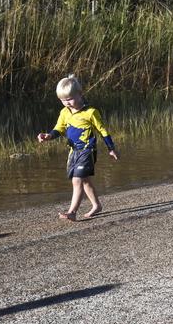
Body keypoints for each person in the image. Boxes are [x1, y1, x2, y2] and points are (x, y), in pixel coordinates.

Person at [36, 74, 119, 221]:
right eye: (62, 100)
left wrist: (111, 148)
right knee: (84, 180)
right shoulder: (64, 112)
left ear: (80, 94)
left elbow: (103, 131)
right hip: (73, 152)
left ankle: (72, 212)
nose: (66, 103)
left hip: (87, 151)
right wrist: (48, 136)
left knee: (77, 179)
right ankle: (97, 205)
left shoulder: (91, 112)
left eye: (69, 99)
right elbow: (59, 129)